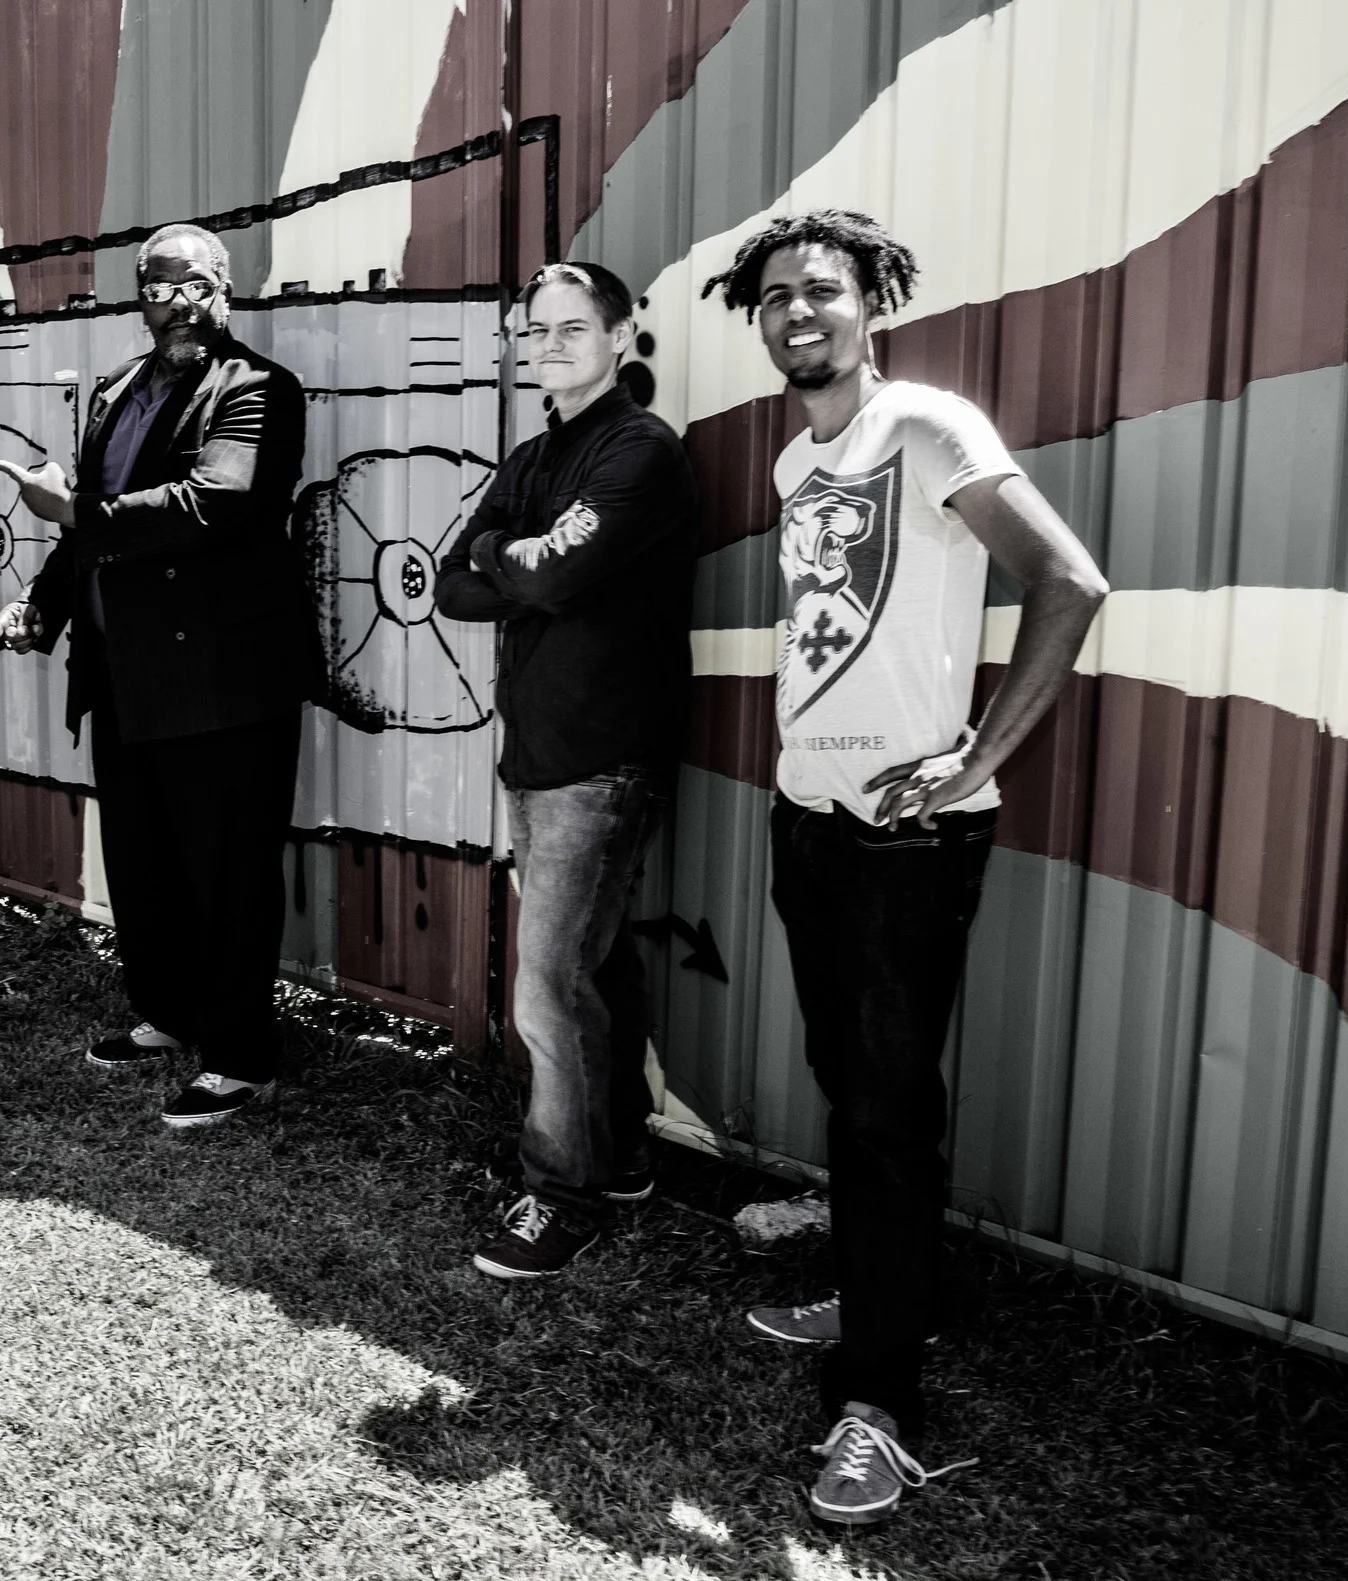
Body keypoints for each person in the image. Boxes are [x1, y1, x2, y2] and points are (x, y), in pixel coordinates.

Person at [701, 209, 1108, 1526]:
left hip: (907, 839)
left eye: (823, 289)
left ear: (871, 302)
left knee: (885, 1115)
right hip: (809, 817)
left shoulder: (925, 427)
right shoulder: (794, 460)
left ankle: (876, 1405)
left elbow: (1069, 583)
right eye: (776, 296)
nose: (797, 311)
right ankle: (885, 1291)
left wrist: (973, 755)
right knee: (850, 1084)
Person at [0, 223, 315, 1129]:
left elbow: (214, 503)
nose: (178, 303)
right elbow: (89, 530)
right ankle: (171, 1013)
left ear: (225, 289)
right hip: (123, 674)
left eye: (195, 284)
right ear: (140, 299)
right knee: (143, 865)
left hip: (222, 683)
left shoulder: (258, 389)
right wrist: (43, 604)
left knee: (228, 872)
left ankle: (241, 1057)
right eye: (160, 287)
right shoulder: (116, 389)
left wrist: (74, 510)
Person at [432, 261, 699, 1279]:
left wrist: (512, 560)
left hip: (603, 757)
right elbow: (453, 587)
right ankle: (617, 1158)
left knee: (545, 988)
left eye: (571, 328)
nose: (549, 346)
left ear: (620, 336)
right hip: (538, 754)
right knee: (592, 967)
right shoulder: (534, 455)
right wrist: (521, 560)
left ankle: (560, 1196)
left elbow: (552, 571)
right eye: (536, 332)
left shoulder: (640, 451)